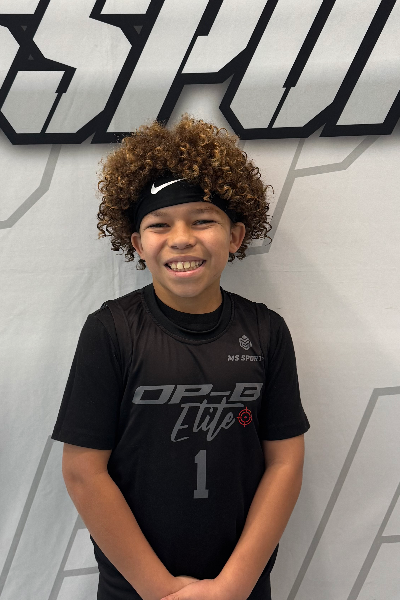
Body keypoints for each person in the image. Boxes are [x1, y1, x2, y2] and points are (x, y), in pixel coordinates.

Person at [51, 113, 310, 600]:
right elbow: (83, 471)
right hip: (135, 589)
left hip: (241, 588)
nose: (182, 237)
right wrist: (160, 590)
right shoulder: (110, 331)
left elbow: (285, 463)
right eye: (159, 224)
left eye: (202, 219)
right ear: (137, 244)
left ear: (236, 236)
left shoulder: (266, 331)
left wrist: (232, 586)